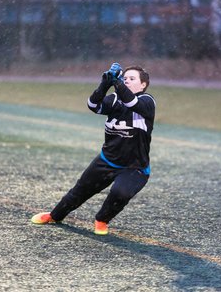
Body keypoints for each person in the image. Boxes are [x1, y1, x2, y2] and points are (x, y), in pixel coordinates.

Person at [31, 63, 156, 235]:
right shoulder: (114, 99)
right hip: (107, 160)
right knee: (79, 192)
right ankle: (55, 216)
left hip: (135, 167)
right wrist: (104, 84)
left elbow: (132, 102)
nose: (127, 81)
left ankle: (102, 219)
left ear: (143, 85)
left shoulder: (147, 101)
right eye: (124, 78)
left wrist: (117, 83)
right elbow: (93, 105)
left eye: (131, 79)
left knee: (121, 193)